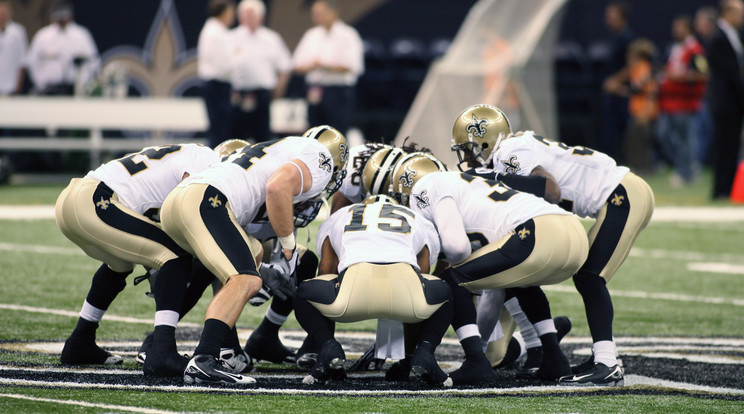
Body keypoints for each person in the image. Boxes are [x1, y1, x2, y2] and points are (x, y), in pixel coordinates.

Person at [451, 103, 655, 386]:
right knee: (537, 272)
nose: (466, 157)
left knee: (590, 278)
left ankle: (607, 363)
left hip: (621, 193)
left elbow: (551, 189)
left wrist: (494, 178)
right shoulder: (513, 149)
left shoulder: (508, 152)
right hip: (620, 193)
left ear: (485, 140)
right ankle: (545, 348)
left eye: (468, 148)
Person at [160, 126, 348, 385]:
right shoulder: (318, 156)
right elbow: (277, 187)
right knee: (246, 280)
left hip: (179, 201)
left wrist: (263, 266)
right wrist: (288, 247)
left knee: (249, 262)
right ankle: (204, 359)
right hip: (209, 199)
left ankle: (169, 346)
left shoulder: (278, 148)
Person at [390, 155, 589, 386]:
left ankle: (475, 362)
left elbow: (457, 248)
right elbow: (494, 288)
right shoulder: (466, 186)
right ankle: (554, 356)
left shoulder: (426, 186)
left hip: (535, 232)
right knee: (516, 280)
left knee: (451, 280)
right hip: (573, 233)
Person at [55, 143, 220, 377]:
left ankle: (80, 341)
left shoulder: (182, 153)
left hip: (74, 199)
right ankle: (162, 351)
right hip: (96, 200)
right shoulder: (208, 159)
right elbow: (187, 206)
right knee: (175, 258)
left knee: (120, 264)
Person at [295, 194, 453, 386]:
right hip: (407, 296)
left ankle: (328, 348)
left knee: (304, 292)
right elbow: (424, 273)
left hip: (351, 297)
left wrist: (325, 338)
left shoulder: (342, 215)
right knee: (443, 291)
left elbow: (326, 270)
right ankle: (422, 353)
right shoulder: (417, 219)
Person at [292, 0, 364, 136]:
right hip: (315, 90)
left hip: (338, 91)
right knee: (313, 133)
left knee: (337, 133)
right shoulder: (311, 35)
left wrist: (325, 66)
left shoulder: (348, 35)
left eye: (321, 14)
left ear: (334, 13)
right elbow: (296, 65)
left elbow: (354, 67)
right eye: (315, 14)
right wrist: (311, 66)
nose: (317, 18)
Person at [230, 0, 292, 142]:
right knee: (236, 135)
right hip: (238, 94)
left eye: (252, 15)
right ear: (239, 17)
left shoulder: (271, 39)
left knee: (262, 136)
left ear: (261, 17)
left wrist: (278, 90)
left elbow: (285, 66)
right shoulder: (232, 38)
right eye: (246, 15)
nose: (249, 19)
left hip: (262, 94)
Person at [657, 17, 707, 186]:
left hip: (685, 103)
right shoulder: (675, 48)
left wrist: (678, 77)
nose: (676, 30)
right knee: (665, 136)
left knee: (685, 140)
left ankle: (686, 172)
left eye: (680, 27)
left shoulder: (695, 50)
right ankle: (688, 167)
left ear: (689, 29)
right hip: (669, 101)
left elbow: (702, 74)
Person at [707, 0, 744, 199]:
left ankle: (727, 189)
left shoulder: (733, 35)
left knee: (731, 147)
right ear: (727, 13)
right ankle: (720, 190)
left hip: (732, 103)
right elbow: (730, 74)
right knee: (724, 147)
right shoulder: (719, 37)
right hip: (725, 103)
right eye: (739, 13)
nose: (742, 17)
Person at [25, 1, 98, 95]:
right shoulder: (43, 35)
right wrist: (40, 83)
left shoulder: (81, 35)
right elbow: (32, 62)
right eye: (59, 17)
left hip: (74, 88)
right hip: (48, 88)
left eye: (64, 16)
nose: (61, 20)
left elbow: (93, 61)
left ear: (70, 16)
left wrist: (83, 84)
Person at [198, 0, 236, 148]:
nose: (233, 16)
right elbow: (224, 64)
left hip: (218, 85)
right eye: (231, 12)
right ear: (223, 12)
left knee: (221, 126)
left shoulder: (218, 31)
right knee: (219, 126)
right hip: (217, 85)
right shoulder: (214, 33)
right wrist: (236, 59)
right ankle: (217, 157)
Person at [600, 1, 634, 161]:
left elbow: (632, 65)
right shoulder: (613, 38)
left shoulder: (627, 38)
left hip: (622, 93)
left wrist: (615, 81)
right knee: (609, 131)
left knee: (622, 131)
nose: (608, 20)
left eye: (612, 16)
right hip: (612, 94)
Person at [623, 38, 658, 176]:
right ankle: (640, 168)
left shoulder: (644, 68)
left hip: (644, 111)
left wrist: (645, 112)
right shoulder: (636, 69)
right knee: (636, 140)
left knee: (640, 141)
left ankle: (645, 169)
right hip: (639, 110)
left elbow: (649, 92)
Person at [694, 7, 718, 166]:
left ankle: (701, 163)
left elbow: (708, 72)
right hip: (706, 96)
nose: (697, 24)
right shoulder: (704, 42)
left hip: (712, 96)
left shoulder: (715, 41)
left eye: (699, 20)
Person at [0, 0, 27, 96]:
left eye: (4, 13)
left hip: (10, 85)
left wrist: (18, 86)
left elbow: (22, 60)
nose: (2, 16)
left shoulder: (18, 31)